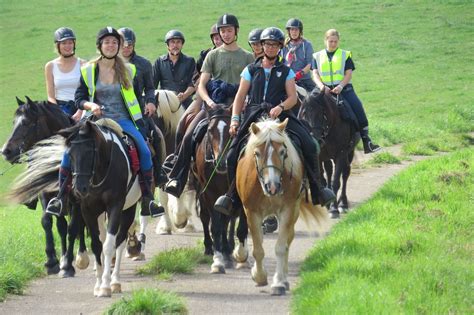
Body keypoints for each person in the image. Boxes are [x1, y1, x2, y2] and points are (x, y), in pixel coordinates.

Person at [214, 27, 336, 215]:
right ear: (262, 46)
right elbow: (239, 97)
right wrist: (234, 120)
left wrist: (280, 107)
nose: (270, 48)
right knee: (231, 155)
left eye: (275, 45)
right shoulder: (250, 69)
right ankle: (233, 196)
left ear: (280, 47)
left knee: (310, 145)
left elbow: (293, 98)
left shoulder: (285, 71)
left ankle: (317, 189)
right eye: (267, 44)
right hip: (254, 115)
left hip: (281, 116)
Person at [46, 27, 164, 218]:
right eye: (107, 42)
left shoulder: (129, 69)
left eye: (114, 42)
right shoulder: (88, 70)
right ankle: (60, 198)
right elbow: (79, 98)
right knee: (69, 151)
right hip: (95, 121)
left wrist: (150, 102)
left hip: (123, 120)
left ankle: (148, 199)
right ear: (100, 45)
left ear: (119, 46)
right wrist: (90, 105)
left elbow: (144, 91)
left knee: (144, 151)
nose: (111, 45)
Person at [164, 14, 254, 198]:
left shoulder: (248, 57)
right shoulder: (212, 55)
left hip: (238, 108)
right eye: (222, 31)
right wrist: (208, 101)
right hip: (213, 106)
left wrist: (246, 100)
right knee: (187, 129)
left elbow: (253, 84)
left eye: (229, 30)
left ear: (236, 31)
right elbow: (202, 84)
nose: (226, 34)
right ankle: (177, 176)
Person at [313, 29, 381, 153]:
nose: (333, 44)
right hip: (324, 90)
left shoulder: (345, 55)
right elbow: (315, 74)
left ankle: (367, 141)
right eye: (330, 41)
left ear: (338, 41)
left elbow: (348, 74)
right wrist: (321, 86)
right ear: (325, 41)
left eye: (335, 41)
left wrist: (340, 86)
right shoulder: (317, 56)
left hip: (343, 90)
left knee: (359, 109)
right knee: (308, 108)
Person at [118, 27, 167, 185]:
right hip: (114, 111)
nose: (126, 48)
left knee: (156, 136)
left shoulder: (144, 64)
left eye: (129, 45)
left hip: (137, 110)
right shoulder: (108, 65)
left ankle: (158, 174)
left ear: (134, 45)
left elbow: (150, 88)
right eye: (123, 45)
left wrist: (151, 101)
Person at [44, 27, 84, 121]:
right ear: (58, 45)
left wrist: (80, 111)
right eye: (64, 43)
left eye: (70, 42)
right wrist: (58, 112)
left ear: (74, 44)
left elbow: (90, 92)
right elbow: (50, 96)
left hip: (81, 106)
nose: (67, 46)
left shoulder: (83, 64)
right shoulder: (50, 66)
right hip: (60, 107)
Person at [152, 30, 196, 109]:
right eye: (172, 42)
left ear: (182, 45)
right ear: (167, 45)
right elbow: (152, 85)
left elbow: (193, 84)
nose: (175, 45)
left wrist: (184, 95)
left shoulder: (190, 61)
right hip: (164, 103)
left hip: (185, 102)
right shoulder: (159, 62)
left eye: (178, 42)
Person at [280, 18, 316, 93]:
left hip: (304, 80)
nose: (294, 32)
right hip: (287, 80)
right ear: (289, 31)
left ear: (300, 31)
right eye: (292, 29)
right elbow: (280, 63)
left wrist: (299, 74)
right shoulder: (283, 46)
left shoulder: (307, 45)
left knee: (317, 98)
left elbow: (310, 64)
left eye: (296, 30)